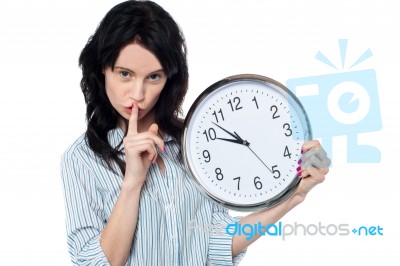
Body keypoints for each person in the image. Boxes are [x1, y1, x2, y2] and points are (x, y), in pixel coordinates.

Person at [60, 1, 330, 265]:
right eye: (125, 74)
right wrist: (132, 181)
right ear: (101, 70)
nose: (138, 94)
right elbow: (95, 262)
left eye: (154, 76)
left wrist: (295, 194)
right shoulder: (81, 159)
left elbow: (215, 245)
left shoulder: (192, 144)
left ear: (169, 79)